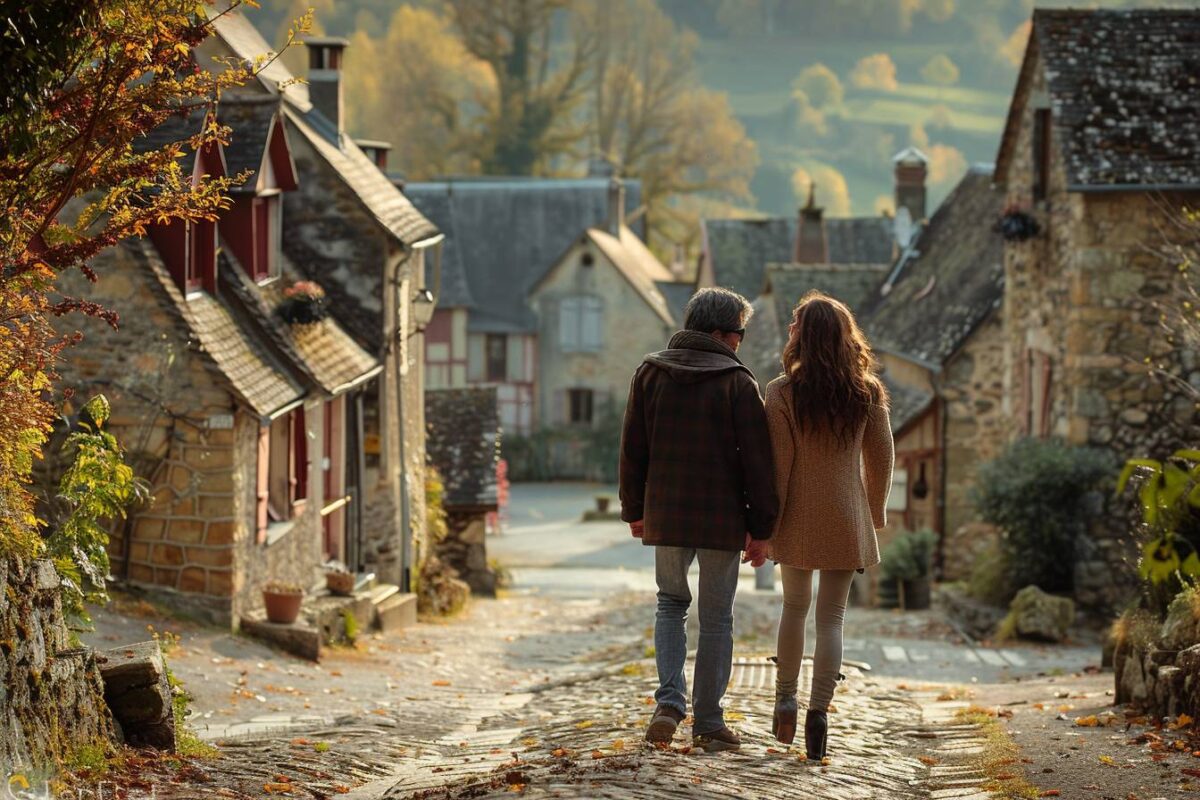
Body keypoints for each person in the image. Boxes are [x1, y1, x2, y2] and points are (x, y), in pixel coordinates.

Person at [619, 287, 778, 753]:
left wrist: (634, 509)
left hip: (666, 512)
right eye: (739, 334)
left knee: (670, 603)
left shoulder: (649, 373)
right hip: (720, 519)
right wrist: (762, 528)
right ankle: (708, 722)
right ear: (717, 333)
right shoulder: (737, 383)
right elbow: (758, 464)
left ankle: (669, 704)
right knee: (716, 617)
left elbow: (633, 449)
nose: (740, 343)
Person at [765, 291, 894, 759]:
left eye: (794, 322)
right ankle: (819, 713)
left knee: (794, 608)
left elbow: (778, 466)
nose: (789, 329)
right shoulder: (867, 391)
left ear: (805, 335)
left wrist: (767, 524)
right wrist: (874, 511)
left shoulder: (780, 391)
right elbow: (881, 458)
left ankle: (785, 696)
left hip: (796, 514)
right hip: (846, 516)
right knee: (832, 619)